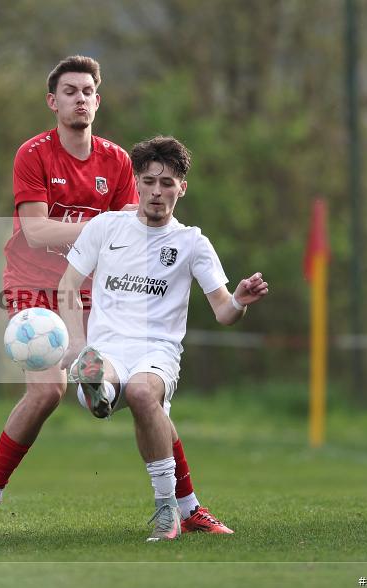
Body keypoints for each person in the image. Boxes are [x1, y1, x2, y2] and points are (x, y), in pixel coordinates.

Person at [0, 56, 227, 536]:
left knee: (149, 398)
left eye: (87, 91)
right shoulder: (33, 154)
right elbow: (37, 232)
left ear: (97, 102)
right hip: (34, 285)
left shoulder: (118, 161)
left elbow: (139, 233)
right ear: (53, 101)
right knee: (47, 391)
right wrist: (102, 226)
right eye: (70, 91)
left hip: (92, 289)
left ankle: (187, 507)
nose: (79, 99)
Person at [57, 135, 268, 541]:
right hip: (105, 349)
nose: (157, 191)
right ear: (137, 182)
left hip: (157, 352)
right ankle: (96, 385)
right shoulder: (105, 227)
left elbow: (224, 312)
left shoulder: (192, 243)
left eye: (167, 183)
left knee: (141, 393)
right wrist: (77, 345)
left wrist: (239, 301)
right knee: (104, 379)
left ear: (181, 188)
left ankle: (167, 509)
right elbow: (68, 285)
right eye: (149, 181)